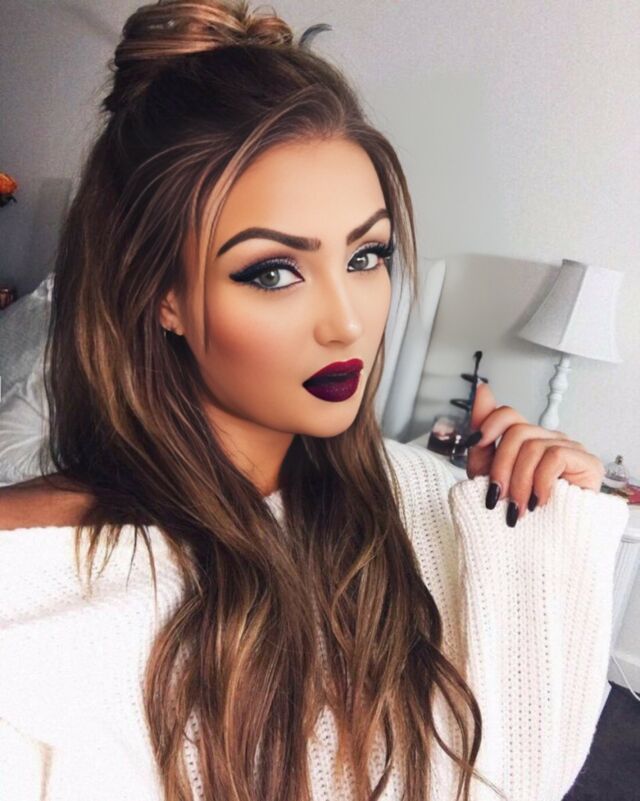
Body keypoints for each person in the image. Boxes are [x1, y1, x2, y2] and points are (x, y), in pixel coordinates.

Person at [0, 2, 629, 800]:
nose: (347, 322)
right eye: (273, 271)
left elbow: (519, 771)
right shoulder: (29, 590)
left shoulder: (420, 497)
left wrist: (544, 532)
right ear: (161, 294)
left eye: (367, 255)